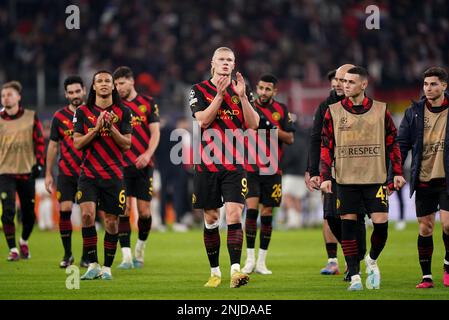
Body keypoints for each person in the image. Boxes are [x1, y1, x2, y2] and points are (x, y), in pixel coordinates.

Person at [320, 66, 405, 291]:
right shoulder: (333, 111)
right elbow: (326, 145)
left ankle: (372, 260)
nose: (344, 85)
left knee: (381, 227)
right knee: (348, 226)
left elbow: (392, 141)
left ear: (364, 85)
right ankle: (355, 275)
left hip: (374, 178)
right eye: (344, 81)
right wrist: (326, 176)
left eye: (350, 82)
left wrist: (396, 172)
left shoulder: (380, 110)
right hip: (346, 179)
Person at [189, 47, 259, 288]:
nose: (226, 63)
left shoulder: (242, 90)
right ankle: (215, 272)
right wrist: (219, 96)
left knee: (234, 214)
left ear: (234, 63)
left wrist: (242, 97)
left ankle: (236, 271)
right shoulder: (197, 90)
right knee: (211, 218)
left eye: (230, 60)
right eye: (222, 59)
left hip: (235, 163)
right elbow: (203, 120)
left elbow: (254, 124)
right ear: (213, 63)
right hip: (207, 164)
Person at [307, 64, 367, 278]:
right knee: (331, 217)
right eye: (339, 81)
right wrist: (312, 170)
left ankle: (355, 263)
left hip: (361, 170)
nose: (341, 85)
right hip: (331, 170)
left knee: (355, 217)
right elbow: (315, 139)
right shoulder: (326, 106)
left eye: (345, 81)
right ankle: (354, 255)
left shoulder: (365, 104)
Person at [73, 70, 132, 280]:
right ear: (94, 87)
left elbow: (127, 144)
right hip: (88, 174)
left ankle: (106, 268)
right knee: (87, 216)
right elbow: (77, 143)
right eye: (100, 81)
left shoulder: (124, 111)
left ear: (114, 86)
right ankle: (93, 264)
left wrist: (112, 129)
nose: (105, 84)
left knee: (111, 222)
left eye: (108, 81)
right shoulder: (82, 112)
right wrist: (96, 129)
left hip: (113, 174)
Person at [394, 67, 449, 288]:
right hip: (424, 176)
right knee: (425, 227)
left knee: (447, 225)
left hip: (446, 178)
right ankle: (426, 276)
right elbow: (402, 144)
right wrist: (396, 172)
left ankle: (447, 265)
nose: (428, 88)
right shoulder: (414, 111)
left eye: (433, 84)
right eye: (425, 84)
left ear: (444, 86)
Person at [241, 74, 294, 275]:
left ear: (275, 91)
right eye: (261, 88)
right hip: (250, 167)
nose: (263, 92)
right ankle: (250, 259)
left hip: (272, 169)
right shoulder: (248, 107)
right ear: (257, 87)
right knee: (251, 211)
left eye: (267, 89)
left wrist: (269, 128)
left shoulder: (281, 110)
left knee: (267, 214)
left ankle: (262, 261)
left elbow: (289, 138)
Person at [113, 66, 160, 269]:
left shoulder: (147, 103)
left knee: (145, 212)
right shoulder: (114, 106)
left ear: (131, 82)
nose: (118, 88)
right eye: (115, 84)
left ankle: (140, 250)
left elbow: (155, 133)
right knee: (122, 210)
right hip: (120, 166)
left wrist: (147, 154)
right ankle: (125, 256)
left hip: (143, 165)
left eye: (121, 83)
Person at [45, 75, 89, 268]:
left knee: (88, 215)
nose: (74, 95)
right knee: (65, 211)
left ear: (84, 90)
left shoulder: (92, 113)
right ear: (66, 94)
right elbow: (53, 146)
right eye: (70, 92)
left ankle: (87, 256)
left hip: (89, 172)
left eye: (77, 91)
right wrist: (48, 173)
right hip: (66, 172)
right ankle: (68, 254)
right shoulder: (59, 117)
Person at [0, 81, 45, 261]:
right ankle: (13, 249)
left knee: (29, 214)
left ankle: (23, 241)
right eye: (3, 95)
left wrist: (39, 163)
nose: (5, 98)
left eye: (9, 94)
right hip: (4, 171)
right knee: (8, 211)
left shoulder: (30, 116)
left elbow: (40, 141)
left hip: (27, 171)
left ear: (19, 97)